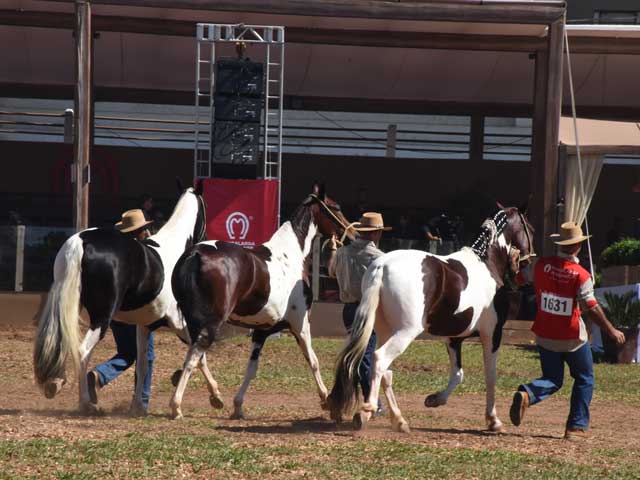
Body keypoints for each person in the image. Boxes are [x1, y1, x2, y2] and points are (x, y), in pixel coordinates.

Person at [509, 222, 626, 440]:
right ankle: (576, 427)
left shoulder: (540, 265)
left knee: (553, 379)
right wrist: (611, 330)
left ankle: (528, 393)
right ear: (579, 246)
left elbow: (518, 280)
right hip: (572, 338)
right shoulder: (581, 275)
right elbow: (591, 306)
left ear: (560, 244)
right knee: (584, 378)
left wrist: (515, 266)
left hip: (544, 335)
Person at [87, 209, 156, 410]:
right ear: (140, 231)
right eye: (145, 229)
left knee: (127, 352)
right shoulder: (142, 255)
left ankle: (100, 375)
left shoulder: (116, 254)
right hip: (137, 313)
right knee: (146, 355)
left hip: (116, 312)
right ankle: (141, 401)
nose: (147, 232)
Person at [327, 212, 391, 416]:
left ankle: (340, 399)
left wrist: (334, 250)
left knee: (356, 355)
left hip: (347, 310)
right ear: (377, 233)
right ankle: (371, 401)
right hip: (367, 310)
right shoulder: (380, 258)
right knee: (365, 358)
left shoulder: (342, 253)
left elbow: (331, 273)